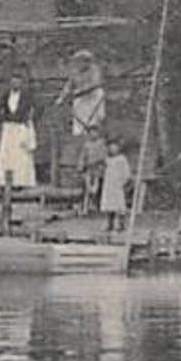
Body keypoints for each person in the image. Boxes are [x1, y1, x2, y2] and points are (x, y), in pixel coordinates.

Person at [59, 50, 106, 208]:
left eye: (84, 61)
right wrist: (62, 97)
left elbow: (95, 84)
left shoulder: (95, 70)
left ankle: (92, 136)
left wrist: (76, 92)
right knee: (78, 128)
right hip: (80, 102)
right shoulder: (75, 73)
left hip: (92, 99)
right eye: (79, 61)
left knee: (93, 124)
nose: (81, 64)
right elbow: (68, 86)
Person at [0, 67, 40, 189]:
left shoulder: (27, 95)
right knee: (7, 155)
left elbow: (39, 107)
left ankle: (21, 182)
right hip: (9, 127)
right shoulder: (6, 94)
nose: (15, 84)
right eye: (13, 81)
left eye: (18, 81)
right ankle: (5, 182)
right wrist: (1, 118)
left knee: (21, 155)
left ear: (21, 83)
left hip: (21, 126)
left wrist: (30, 118)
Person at [99, 139, 132, 234]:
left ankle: (120, 225)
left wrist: (123, 182)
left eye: (115, 147)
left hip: (117, 184)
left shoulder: (122, 159)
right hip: (108, 184)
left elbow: (126, 172)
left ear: (118, 148)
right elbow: (103, 170)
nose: (113, 149)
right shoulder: (107, 159)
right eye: (111, 148)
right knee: (109, 205)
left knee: (119, 205)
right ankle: (109, 224)